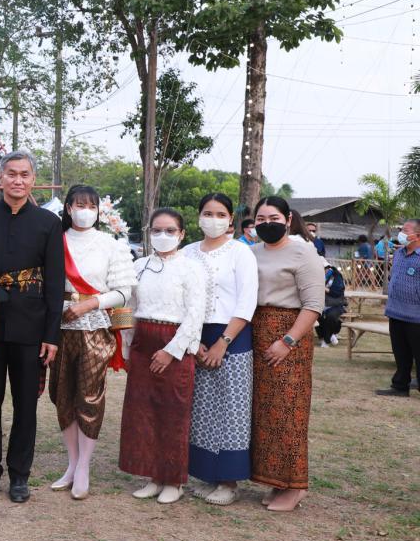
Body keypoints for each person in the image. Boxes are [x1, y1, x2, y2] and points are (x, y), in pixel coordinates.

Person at [0, 151, 66, 504]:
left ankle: (20, 475)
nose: (17, 180)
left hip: (30, 326)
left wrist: (51, 335)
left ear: (33, 180)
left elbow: (55, 283)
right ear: (0, 178)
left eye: (24, 174)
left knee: (25, 406)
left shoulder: (49, 223)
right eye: (11, 173)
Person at [43, 182, 133, 501]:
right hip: (58, 329)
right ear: (68, 208)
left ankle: (84, 467)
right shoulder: (54, 240)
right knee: (61, 394)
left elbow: (123, 291)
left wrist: (89, 304)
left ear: (99, 211)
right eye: (79, 205)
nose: (85, 211)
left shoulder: (111, 245)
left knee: (89, 395)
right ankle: (72, 463)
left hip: (95, 326)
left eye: (91, 206)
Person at [119, 208, 205, 505]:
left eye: (170, 231)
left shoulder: (192, 268)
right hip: (142, 340)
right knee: (142, 412)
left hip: (174, 342)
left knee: (173, 413)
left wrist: (171, 351)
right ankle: (153, 476)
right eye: (157, 230)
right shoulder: (139, 265)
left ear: (182, 234)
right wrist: (126, 347)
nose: (163, 236)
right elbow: (127, 306)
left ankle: (173, 480)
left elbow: (196, 314)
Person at [249, 196, 325, 512]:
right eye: (261, 219)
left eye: (274, 218)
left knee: (289, 412)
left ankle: (295, 486)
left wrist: (288, 340)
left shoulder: (304, 253)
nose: (267, 224)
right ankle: (275, 481)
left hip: (290, 338)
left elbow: (314, 305)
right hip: (256, 334)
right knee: (265, 413)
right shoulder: (251, 252)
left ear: (288, 220)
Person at [183, 193, 258, 506]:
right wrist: (193, 340)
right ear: (198, 216)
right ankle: (207, 475)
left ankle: (229, 481)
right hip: (195, 335)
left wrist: (222, 342)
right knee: (201, 408)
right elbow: (181, 298)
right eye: (207, 213)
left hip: (232, 335)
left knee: (231, 408)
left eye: (220, 214)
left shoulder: (240, 252)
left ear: (230, 220)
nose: (212, 219)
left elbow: (247, 300)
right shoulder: (187, 252)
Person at [377, 218, 420, 397]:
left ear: (417, 235)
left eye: (406, 230)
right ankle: (400, 386)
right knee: (401, 353)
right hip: (395, 311)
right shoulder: (399, 254)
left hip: (416, 316)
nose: (401, 233)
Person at [317, 264, 347, 348]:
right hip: (322, 304)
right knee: (315, 315)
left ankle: (326, 340)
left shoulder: (336, 276)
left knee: (331, 316)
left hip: (336, 304)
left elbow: (337, 292)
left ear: (327, 268)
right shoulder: (317, 276)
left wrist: (325, 289)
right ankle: (326, 336)